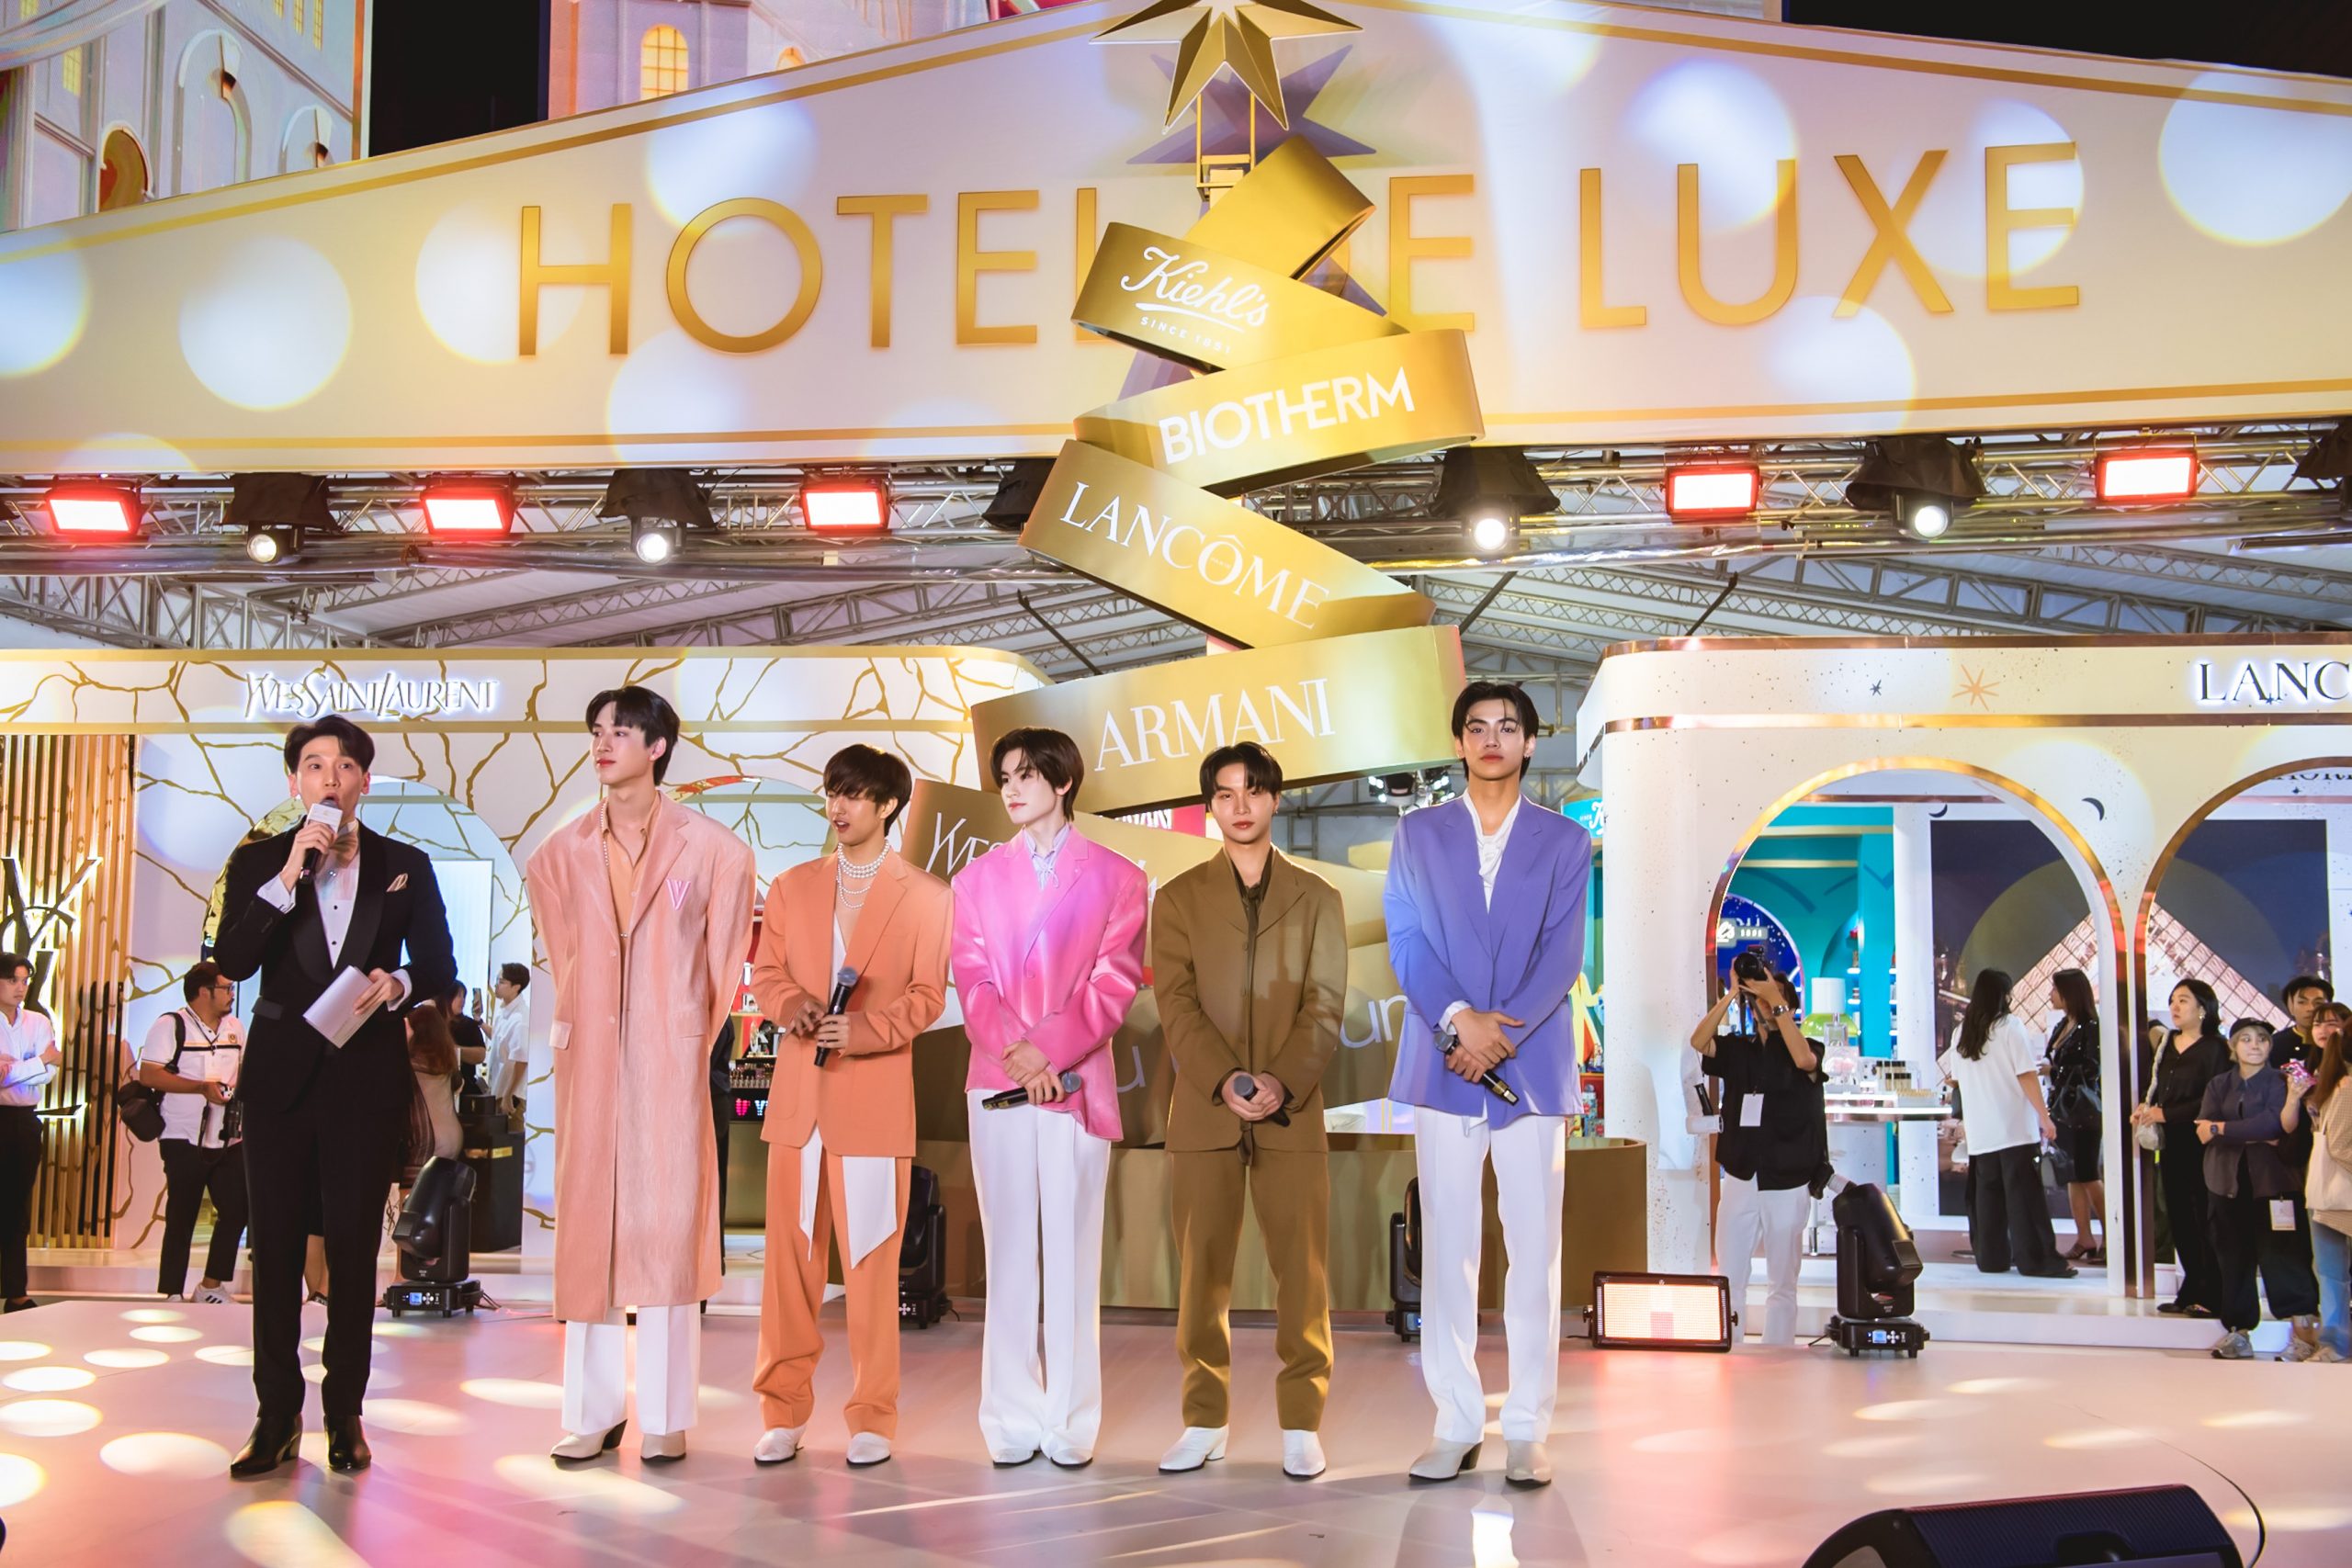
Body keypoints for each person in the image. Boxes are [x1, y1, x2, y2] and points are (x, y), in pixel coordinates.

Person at [212, 716, 456, 1477]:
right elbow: (234, 959)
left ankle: (344, 1412)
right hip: (280, 1081)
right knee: (276, 1250)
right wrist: (290, 874)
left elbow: (440, 965)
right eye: (314, 764)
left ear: (364, 782)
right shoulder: (259, 860)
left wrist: (401, 982)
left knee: (353, 1252)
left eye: (345, 765)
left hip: (365, 1079)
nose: (329, 776)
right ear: (295, 782)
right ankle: (275, 1414)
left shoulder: (405, 863)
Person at [525, 685, 755, 1464]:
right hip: (589, 1059)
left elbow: (722, 966)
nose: (603, 742)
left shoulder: (716, 850)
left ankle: (665, 1414)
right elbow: (565, 953)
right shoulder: (558, 853)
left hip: (672, 1055)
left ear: (657, 747)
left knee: (667, 1227)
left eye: (620, 731)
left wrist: (681, 1037)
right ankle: (591, 1412)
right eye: (596, 730)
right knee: (588, 1229)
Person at [1385, 682, 1592, 1486]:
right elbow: (1407, 939)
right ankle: (1456, 1421)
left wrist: (1497, 1035)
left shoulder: (1565, 840)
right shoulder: (1418, 833)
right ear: (1459, 742)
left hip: (1528, 1065)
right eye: (1477, 727)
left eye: (1508, 726)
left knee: (1534, 1250)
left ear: (1531, 742)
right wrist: (1457, 1021)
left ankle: (1529, 1426)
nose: (1492, 738)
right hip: (1443, 1059)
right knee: (1447, 1247)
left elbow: (1564, 956)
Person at [951, 726, 1148, 1470]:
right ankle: (1008, 1414)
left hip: (1075, 1085)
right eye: (1004, 776)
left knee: (1071, 1252)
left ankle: (1069, 1418)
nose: (1012, 788)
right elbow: (972, 980)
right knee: (1007, 1250)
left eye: (1027, 774)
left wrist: (1048, 1051)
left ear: (1063, 781)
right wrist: (1019, 1052)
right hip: (999, 1080)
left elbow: (1114, 983)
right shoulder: (975, 880)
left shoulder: (1118, 877)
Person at [750, 744, 950, 1469]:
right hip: (798, 1102)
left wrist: (863, 1030)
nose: (837, 806)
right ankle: (782, 1411)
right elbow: (766, 972)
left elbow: (928, 996)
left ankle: (873, 1415)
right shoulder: (792, 885)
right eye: (833, 791)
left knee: (871, 1264)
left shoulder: (927, 896)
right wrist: (792, 1006)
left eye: (854, 794)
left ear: (887, 804)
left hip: (874, 1101)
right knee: (789, 1267)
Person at [1153, 742, 1345, 1483]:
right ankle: (1204, 1419)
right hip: (1206, 1112)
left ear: (1275, 799)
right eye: (1226, 792)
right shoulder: (1178, 899)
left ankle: (1302, 1421)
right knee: (1200, 1276)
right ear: (1210, 805)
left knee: (1304, 1275)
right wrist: (1226, 1078)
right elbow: (1176, 1005)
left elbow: (1325, 1006)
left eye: (1254, 790)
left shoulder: (1318, 898)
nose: (1240, 805)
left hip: (1292, 1113)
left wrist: (1279, 1081)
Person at [1690, 957, 1827, 1345]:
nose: (1765, 1005)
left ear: (1791, 1006)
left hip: (1787, 1176)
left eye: (1775, 999)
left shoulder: (1808, 1047)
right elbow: (1699, 1042)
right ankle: (1729, 1344)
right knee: (1730, 1272)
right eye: (1760, 1000)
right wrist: (1734, 992)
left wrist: (1775, 1003)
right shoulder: (1741, 1050)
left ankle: (1779, 1352)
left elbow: (1804, 1061)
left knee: (1782, 1280)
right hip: (1741, 1172)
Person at [2197, 1018, 2321, 1359]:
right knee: (2233, 1258)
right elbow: (2203, 1130)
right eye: (2246, 1039)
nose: (2255, 1045)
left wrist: (2223, 1128)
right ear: (2233, 1046)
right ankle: (2238, 1333)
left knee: (2284, 1256)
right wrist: (2239, 1132)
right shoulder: (2219, 1084)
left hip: (2275, 1184)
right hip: (2226, 1183)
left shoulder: (2281, 1081)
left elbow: (2273, 1125)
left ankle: (2303, 1336)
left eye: (2262, 1039)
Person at [1938, 968, 2074, 1279]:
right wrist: (2044, 1116)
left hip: (1981, 1131)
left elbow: (1957, 1080)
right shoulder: (2011, 1027)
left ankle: (1991, 1258)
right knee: (2024, 1199)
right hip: (2014, 1128)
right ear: (2004, 995)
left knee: (1987, 1200)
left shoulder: (1962, 1034)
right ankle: (2036, 1260)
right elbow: (2026, 1075)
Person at [138, 962, 248, 1302]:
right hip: (182, 1134)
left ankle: (211, 1285)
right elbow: (149, 1075)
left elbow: (243, 1069)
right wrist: (200, 1087)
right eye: (226, 988)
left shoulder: (234, 1026)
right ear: (204, 991)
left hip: (228, 1136)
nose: (231, 995)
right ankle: (172, 1292)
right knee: (182, 1215)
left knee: (237, 1209)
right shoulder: (171, 1024)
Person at [2132, 978, 2229, 1316]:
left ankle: (2214, 1294)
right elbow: (2156, 1087)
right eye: (2173, 1000)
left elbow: (2214, 1098)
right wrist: (2147, 1110)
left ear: (2203, 1008)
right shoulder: (2168, 1043)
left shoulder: (2216, 1048)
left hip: (2203, 1144)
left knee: (2204, 1217)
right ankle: (2191, 1288)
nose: (2175, 1006)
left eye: (2184, 1000)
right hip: (2172, 1143)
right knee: (2179, 1217)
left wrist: (2167, 1113)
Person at [0, 953, 60, 1314]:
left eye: (24, 980)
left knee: (17, 1207)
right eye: (13, 980)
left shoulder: (38, 1022)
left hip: (24, 1121)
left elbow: (49, 1074)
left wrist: (15, 1069)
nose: (21, 987)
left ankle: (16, 1292)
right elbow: (43, 1064)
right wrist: (38, 1061)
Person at [2301, 1000, 2352, 1363]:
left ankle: (2335, 1344)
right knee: (2332, 1273)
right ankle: (2334, 1343)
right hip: (2339, 1193)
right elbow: (2341, 1145)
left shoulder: (2336, 1083)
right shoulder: (2346, 1086)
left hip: (2328, 1191)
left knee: (2331, 1273)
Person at [2045, 968, 2105, 1265]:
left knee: (2088, 1173)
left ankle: (2113, 1238)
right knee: (2072, 1175)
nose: (2050, 995)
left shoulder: (2091, 1027)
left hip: (2084, 1111)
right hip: (2062, 1110)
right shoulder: (2063, 1025)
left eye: (2055, 989)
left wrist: (2055, 1070)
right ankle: (2085, 1238)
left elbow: (2093, 1068)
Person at [404, 1003, 462, 1167]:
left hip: (426, 1143)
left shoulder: (409, 1066)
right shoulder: (447, 1065)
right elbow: (458, 1085)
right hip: (453, 1138)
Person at [486, 962, 530, 1111]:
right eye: (497, 980)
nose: (496, 985)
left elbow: (521, 1061)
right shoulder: (503, 1011)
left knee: (511, 1125)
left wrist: (508, 1094)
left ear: (516, 987)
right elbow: (497, 1038)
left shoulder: (521, 1019)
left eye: (502, 982)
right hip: (497, 1090)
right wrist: (479, 1021)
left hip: (510, 1096)